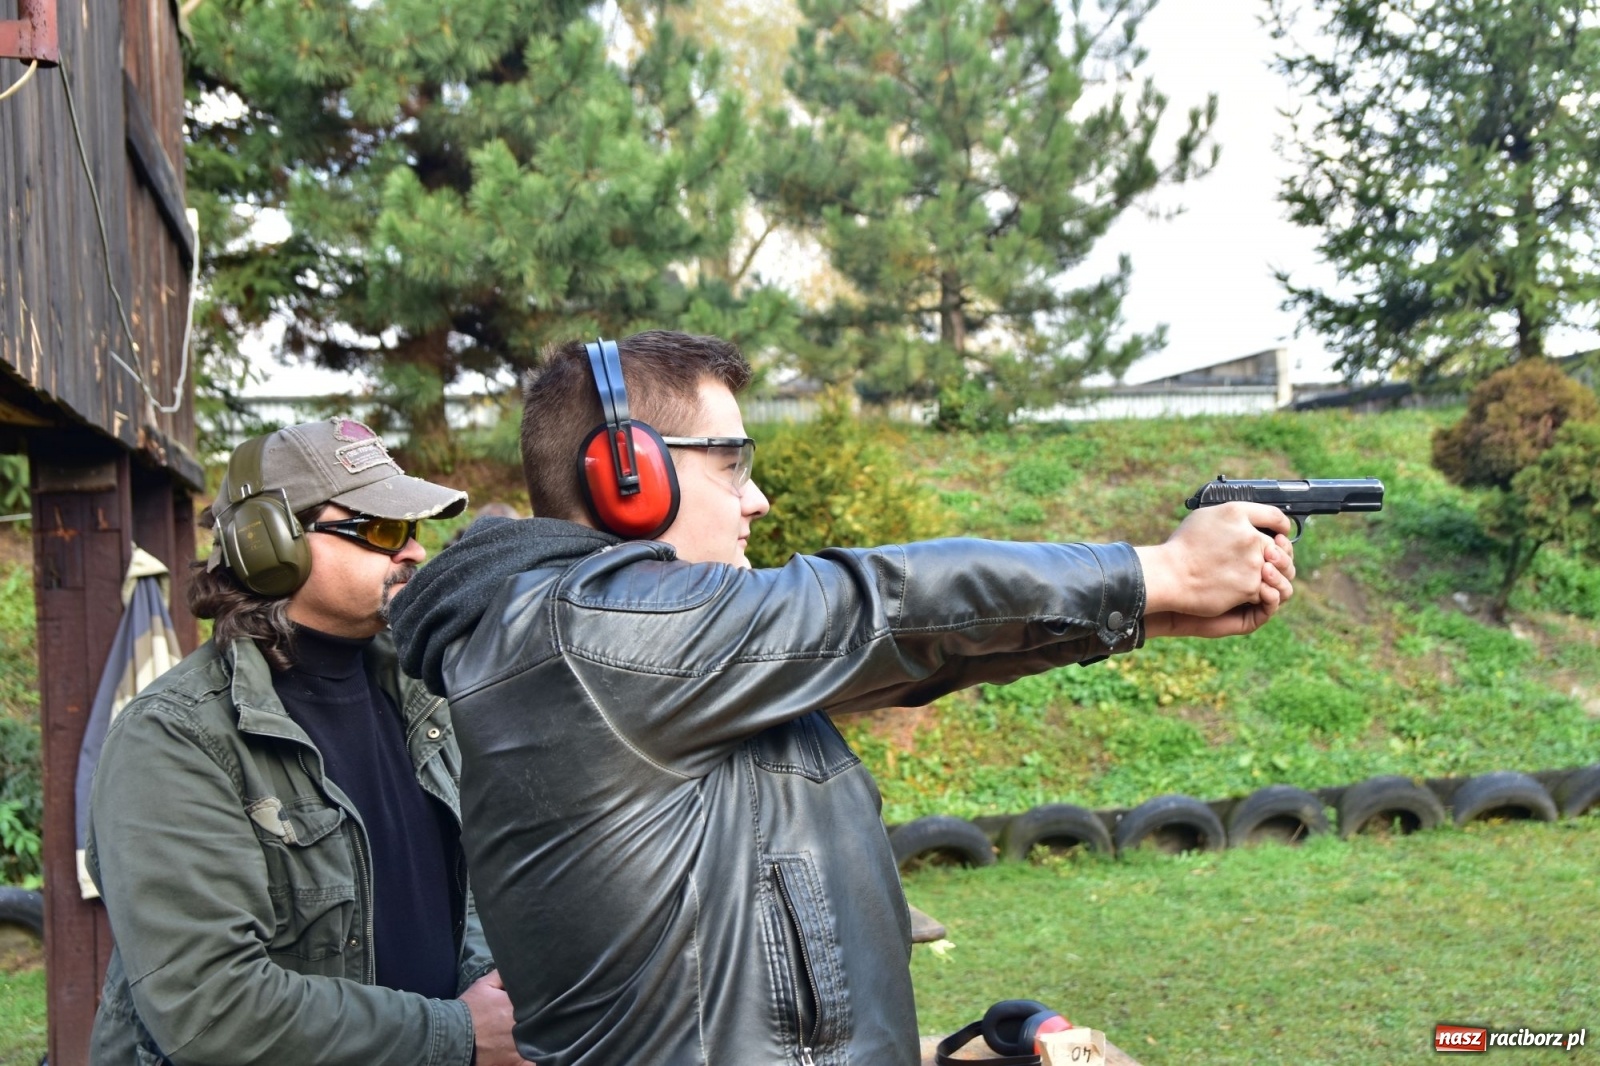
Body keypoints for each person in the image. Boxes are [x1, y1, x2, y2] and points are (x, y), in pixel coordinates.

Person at [388, 332, 1296, 1066]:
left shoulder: (645, 658)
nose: (759, 498)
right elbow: (880, 606)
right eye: (733, 463)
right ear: (630, 474)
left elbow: (909, 661)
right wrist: (1160, 571)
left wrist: (1149, 613)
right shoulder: (578, 640)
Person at [85, 418, 534, 1066]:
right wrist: (457, 1036)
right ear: (270, 544)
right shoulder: (174, 741)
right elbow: (212, 1006)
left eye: (412, 531)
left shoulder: (423, 697)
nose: (412, 551)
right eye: (381, 529)